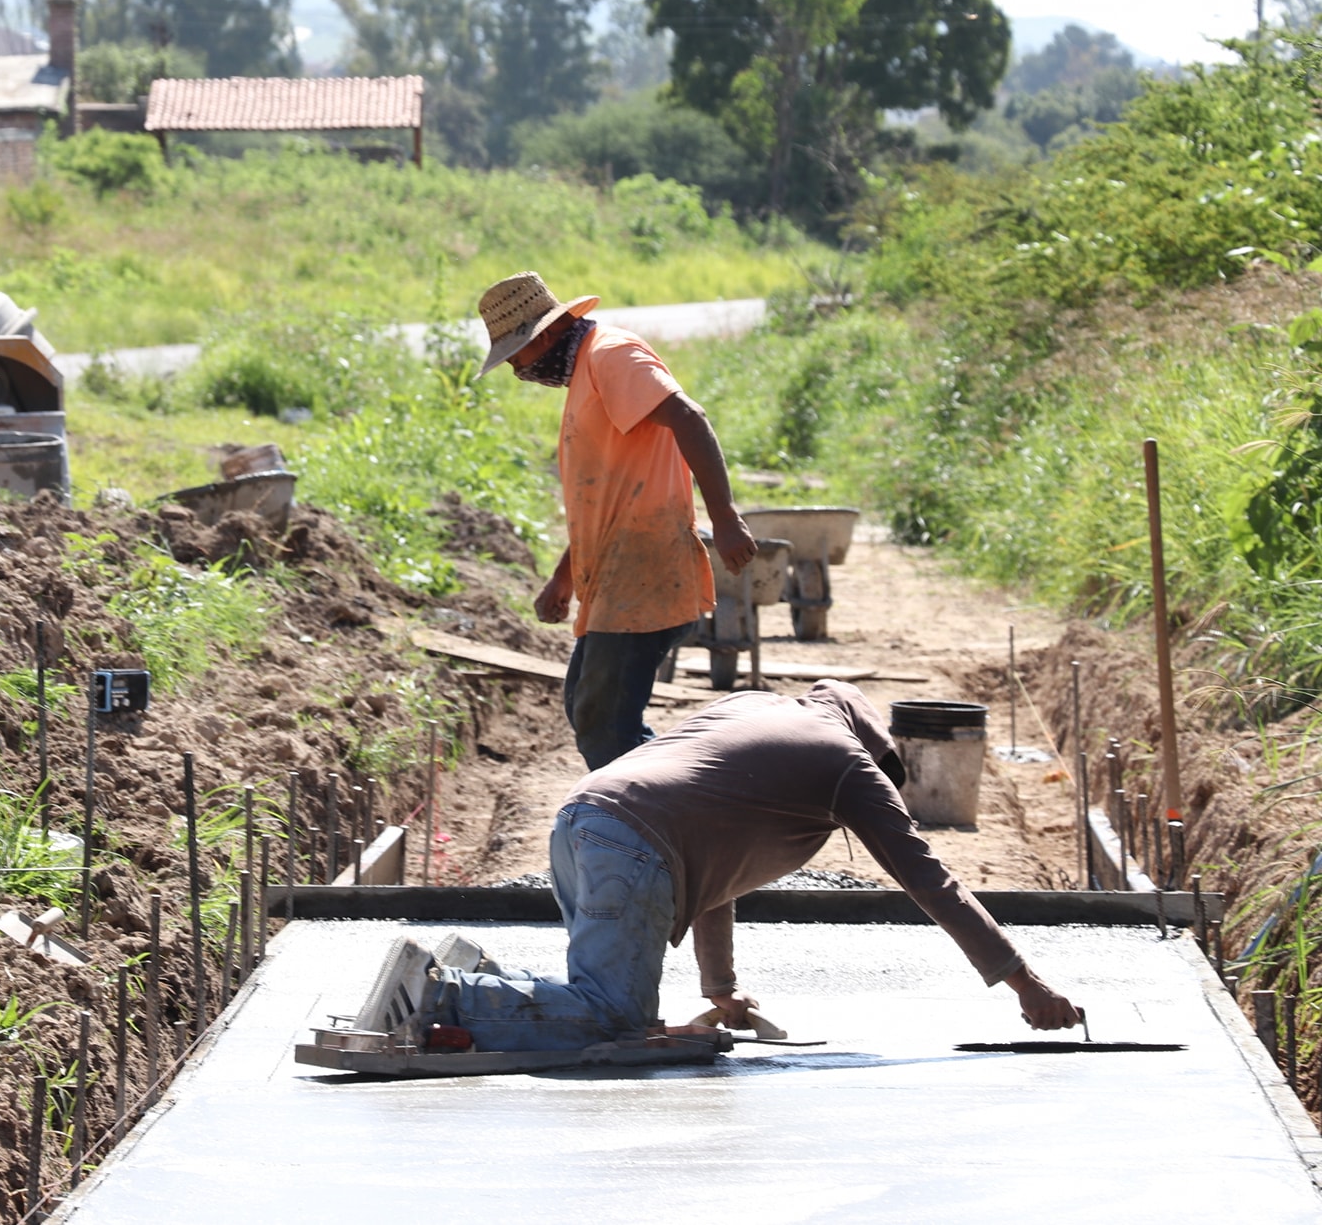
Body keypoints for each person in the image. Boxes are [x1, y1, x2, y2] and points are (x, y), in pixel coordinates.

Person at [352, 681, 1083, 1051]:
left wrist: (721, 990)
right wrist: (1027, 982)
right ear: (871, 746)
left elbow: (716, 862)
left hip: (583, 820)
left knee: (598, 998)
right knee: (615, 1021)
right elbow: (932, 880)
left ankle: (467, 966)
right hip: (634, 845)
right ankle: (440, 993)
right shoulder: (844, 763)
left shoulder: (753, 708)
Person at [476, 271, 758, 770]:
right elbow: (607, 495)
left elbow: (690, 419)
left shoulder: (611, 355)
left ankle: (662, 823)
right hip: (616, 573)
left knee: (603, 720)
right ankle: (665, 806)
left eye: (515, 357)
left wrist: (725, 515)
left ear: (541, 337)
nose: (517, 370)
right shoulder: (587, 370)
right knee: (587, 708)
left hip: (644, 568)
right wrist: (563, 578)